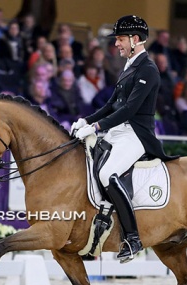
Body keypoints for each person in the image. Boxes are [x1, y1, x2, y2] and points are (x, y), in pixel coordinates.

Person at [70, 15, 176, 263]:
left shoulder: (148, 69)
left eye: (119, 39)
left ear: (135, 39)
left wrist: (96, 127)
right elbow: (112, 104)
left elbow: (129, 109)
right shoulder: (129, 66)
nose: (116, 44)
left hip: (136, 134)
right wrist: (86, 120)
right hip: (119, 130)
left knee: (107, 174)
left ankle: (132, 237)